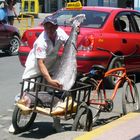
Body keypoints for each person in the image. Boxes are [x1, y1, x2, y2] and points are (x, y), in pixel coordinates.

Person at [8, 15, 69, 133]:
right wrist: (49, 80)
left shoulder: (60, 33)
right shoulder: (41, 41)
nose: (50, 30)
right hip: (34, 68)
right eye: (47, 27)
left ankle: (56, 124)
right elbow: (40, 63)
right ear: (44, 27)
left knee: (56, 94)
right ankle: (15, 123)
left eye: (52, 27)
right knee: (25, 92)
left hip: (53, 66)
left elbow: (69, 43)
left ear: (56, 27)